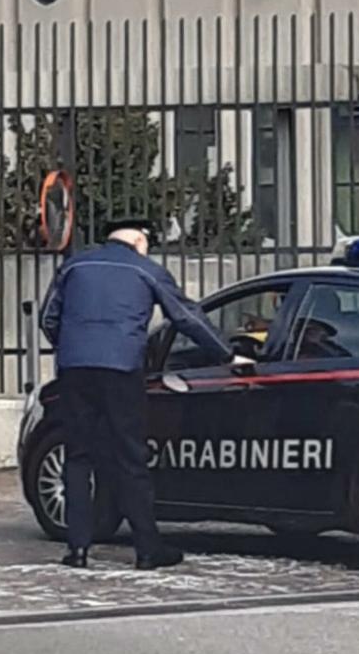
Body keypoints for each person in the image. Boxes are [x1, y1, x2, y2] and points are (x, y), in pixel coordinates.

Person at [40, 217, 248, 570]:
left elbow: (48, 317)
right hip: (121, 370)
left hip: (75, 370)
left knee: (77, 456)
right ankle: (147, 548)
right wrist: (226, 354)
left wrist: (71, 347)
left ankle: (77, 548)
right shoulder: (145, 270)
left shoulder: (74, 265)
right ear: (139, 240)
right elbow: (186, 316)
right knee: (130, 456)